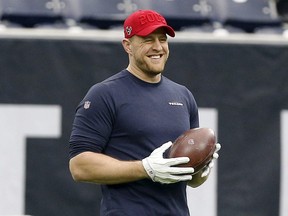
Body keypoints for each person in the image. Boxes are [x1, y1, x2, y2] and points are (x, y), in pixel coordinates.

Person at [69, 9, 221, 216]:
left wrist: (201, 168)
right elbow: (79, 166)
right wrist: (145, 168)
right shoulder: (104, 94)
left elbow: (191, 180)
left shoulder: (183, 95)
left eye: (162, 39)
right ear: (127, 46)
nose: (158, 47)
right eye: (147, 40)